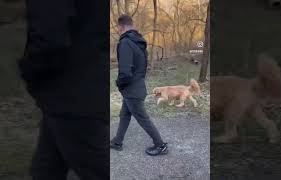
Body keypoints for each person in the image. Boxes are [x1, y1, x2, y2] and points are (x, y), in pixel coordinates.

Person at [18, 0, 108, 179]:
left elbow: (50, 39)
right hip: (79, 90)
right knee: (45, 171)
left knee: (98, 170)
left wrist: (28, 71)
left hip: (71, 96)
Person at [110, 15, 168, 156]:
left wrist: (119, 84)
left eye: (118, 28)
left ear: (121, 27)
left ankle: (160, 145)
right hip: (136, 87)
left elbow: (125, 73)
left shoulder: (125, 43)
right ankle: (117, 141)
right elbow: (140, 69)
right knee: (124, 114)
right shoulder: (138, 43)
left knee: (143, 119)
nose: (118, 30)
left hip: (131, 90)